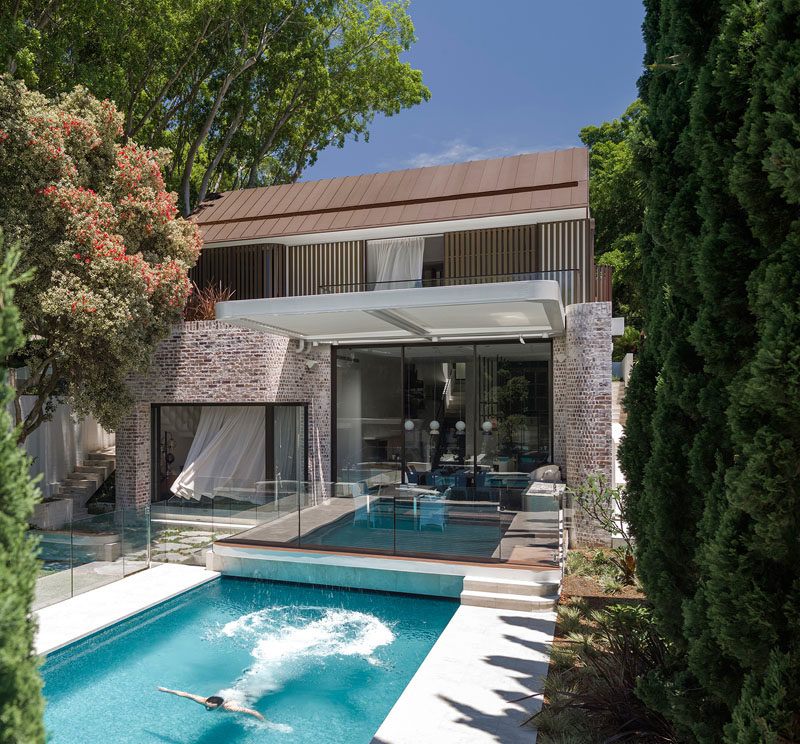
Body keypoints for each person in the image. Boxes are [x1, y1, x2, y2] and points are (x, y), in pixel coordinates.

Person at [156, 686, 266, 721]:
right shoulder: (203, 700)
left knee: (256, 693)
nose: (207, 709)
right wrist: (165, 690)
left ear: (220, 706)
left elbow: (253, 712)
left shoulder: (229, 708)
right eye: (207, 706)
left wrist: (266, 722)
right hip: (228, 695)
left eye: (211, 708)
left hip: (241, 698)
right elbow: (184, 694)